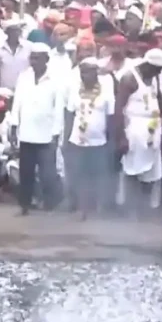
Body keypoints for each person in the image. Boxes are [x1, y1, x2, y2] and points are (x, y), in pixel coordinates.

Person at [10, 41, 62, 215]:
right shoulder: (24, 76)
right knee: (26, 172)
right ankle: (24, 205)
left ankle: (50, 204)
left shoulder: (55, 78)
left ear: (46, 59)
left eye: (38, 58)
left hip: (47, 133)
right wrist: (13, 126)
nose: (34, 62)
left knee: (48, 172)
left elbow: (58, 107)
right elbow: (17, 102)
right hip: (26, 131)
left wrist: (56, 133)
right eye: (32, 58)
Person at [115, 48, 162, 215]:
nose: (159, 72)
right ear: (148, 65)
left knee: (151, 171)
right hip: (134, 128)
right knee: (132, 169)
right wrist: (121, 137)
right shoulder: (129, 78)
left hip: (152, 128)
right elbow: (118, 109)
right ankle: (131, 209)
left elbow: (159, 101)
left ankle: (146, 208)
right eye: (157, 69)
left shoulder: (154, 78)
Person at [64, 56, 115, 219]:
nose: (84, 75)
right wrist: (65, 140)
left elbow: (111, 117)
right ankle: (82, 208)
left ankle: (100, 208)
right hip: (78, 139)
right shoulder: (75, 90)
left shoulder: (106, 90)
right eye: (82, 72)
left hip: (99, 140)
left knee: (98, 174)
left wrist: (111, 140)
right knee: (80, 174)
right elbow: (69, 115)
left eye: (88, 72)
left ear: (96, 73)